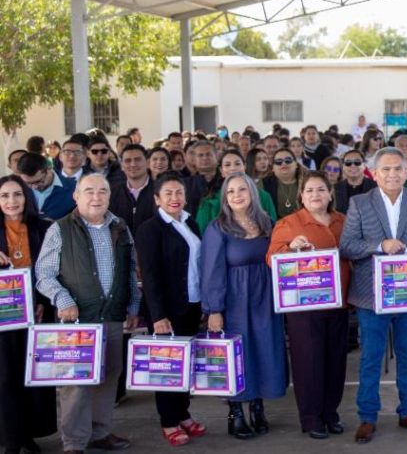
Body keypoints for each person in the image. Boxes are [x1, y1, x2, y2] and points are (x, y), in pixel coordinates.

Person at [340, 147, 407, 443]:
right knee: (370, 357)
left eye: (398, 168)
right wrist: (379, 244)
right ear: (374, 172)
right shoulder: (360, 203)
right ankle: (367, 417)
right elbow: (347, 246)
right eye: (385, 169)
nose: (392, 174)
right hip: (371, 296)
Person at [35, 173, 141, 453]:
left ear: (109, 195)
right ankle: (74, 442)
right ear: (76, 196)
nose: (96, 197)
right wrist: (63, 299)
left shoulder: (119, 226)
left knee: (108, 376)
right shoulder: (60, 229)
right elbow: (43, 274)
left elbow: (130, 271)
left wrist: (133, 306)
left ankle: (100, 433)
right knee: (76, 384)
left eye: (102, 191)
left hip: (114, 316)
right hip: (77, 319)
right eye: (89, 191)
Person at [200, 174, 287, 440]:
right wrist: (214, 309)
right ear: (225, 198)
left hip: (265, 298)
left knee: (264, 350)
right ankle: (236, 413)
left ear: (252, 192)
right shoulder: (218, 228)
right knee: (237, 356)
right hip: (235, 301)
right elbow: (211, 270)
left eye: (242, 190)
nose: (237, 195)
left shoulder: (267, 224)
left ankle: (258, 407)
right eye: (230, 192)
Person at [268, 172, 349, 440]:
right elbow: (272, 258)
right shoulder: (288, 224)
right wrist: (291, 248)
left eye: (321, 190)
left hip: (338, 304)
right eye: (310, 190)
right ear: (301, 196)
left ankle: (330, 413)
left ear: (330, 194)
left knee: (335, 361)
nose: (316, 195)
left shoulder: (342, 221)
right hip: (304, 308)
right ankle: (311, 417)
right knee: (308, 362)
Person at [135, 172, 208, 446]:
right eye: (168, 194)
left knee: (186, 365)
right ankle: (169, 421)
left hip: (191, 304)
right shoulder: (150, 229)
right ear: (156, 199)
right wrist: (159, 316)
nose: (175, 198)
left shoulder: (191, 223)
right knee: (167, 367)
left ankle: (183, 414)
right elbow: (150, 276)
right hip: (166, 311)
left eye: (179, 193)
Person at [0, 176, 56, 454]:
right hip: (3, 318)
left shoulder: (43, 227)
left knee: (32, 376)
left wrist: (45, 302)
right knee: (5, 378)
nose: (12, 202)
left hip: (36, 314)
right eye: (5, 196)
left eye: (17, 195)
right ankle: (10, 438)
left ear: (27, 197)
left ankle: (29, 434)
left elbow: (53, 270)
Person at [196, 150, 277, 231]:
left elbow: (272, 228)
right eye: (227, 165)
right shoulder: (209, 201)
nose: (233, 168)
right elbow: (203, 233)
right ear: (221, 170)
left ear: (244, 167)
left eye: (237, 164)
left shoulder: (263, 196)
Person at [108, 144, 155, 234]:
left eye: (138, 160)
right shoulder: (112, 193)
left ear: (148, 163)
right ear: (121, 165)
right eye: (127, 161)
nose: (133, 164)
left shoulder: (160, 191)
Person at [17, 153, 76, 220]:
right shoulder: (16, 189)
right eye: (28, 183)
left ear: (49, 169)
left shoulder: (74, 189)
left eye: (38, 181)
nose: (34, 187)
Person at [262, 148, 305, 219]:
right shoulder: (264, 184)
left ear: (296, 164)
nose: (284, 164)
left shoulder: (307, 182)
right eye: (279, 162)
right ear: (273, 168)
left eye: (288, 160)